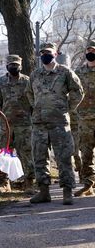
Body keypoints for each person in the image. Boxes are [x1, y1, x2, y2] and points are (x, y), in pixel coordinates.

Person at [26, 42, 84, 205]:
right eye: (43, 52)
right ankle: (44, 192)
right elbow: (29, 93)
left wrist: (66, 108)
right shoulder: (35, 74)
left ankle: (67, 192)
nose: (45, 55)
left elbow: (78, 92)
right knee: (39, 157)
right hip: (39, 123)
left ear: (56, 54)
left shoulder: (65, 72)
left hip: (59, 122)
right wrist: (37, 107)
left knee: (64, 157)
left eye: (48, 52)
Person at [0, 54, 35, 194]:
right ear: (6, 66)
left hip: (25, 125)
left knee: (27, 154)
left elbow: (34, 101)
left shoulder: (28, 81)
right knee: (3, 154)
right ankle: (4, 182)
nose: (13, 67)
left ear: (20, 66)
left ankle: (29, 183)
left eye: (16, 64)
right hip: (6, 126)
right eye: (11, 64)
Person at [74, 40, 95, 197]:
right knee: (86, 154)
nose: (90, 52)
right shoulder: (78, 73)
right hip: (84, 120)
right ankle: (89, 184)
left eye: (93, 49)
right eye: (88, 49)